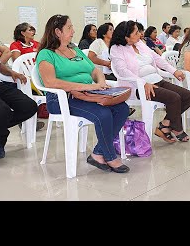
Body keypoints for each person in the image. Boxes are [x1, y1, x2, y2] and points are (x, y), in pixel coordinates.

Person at [36, 14, 130, 173]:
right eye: (69, 27)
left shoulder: (75, 50)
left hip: (87, 93)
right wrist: (83, 87)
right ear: (58, 32)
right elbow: (50, 82)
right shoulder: (46, 54)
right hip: (62, 99)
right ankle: (109, 155)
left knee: (122, 108)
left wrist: (100, 81)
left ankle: (98, 153)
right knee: (104, 114)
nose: (73, 31)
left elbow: (93, 70)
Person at [110, 21, 190, 142]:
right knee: (174, 98)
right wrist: (143, 83)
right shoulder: (116, 49)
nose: (140, 34)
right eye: (136, 32)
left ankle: (165, 125)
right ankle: (176, 128)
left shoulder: (139, 43)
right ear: (126, 36)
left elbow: (156, 58)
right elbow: (122, 71)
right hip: (138, 86)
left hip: (156, 79)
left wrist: (173, 71)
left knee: (188, 96)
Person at [9, 23, 45, 131]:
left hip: (38, 74)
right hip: (24, 76)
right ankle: (27, 119)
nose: (33, 32)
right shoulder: (16, 45)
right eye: (30, 30)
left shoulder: (36, 44)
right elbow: (17, 60)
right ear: (23, 33)